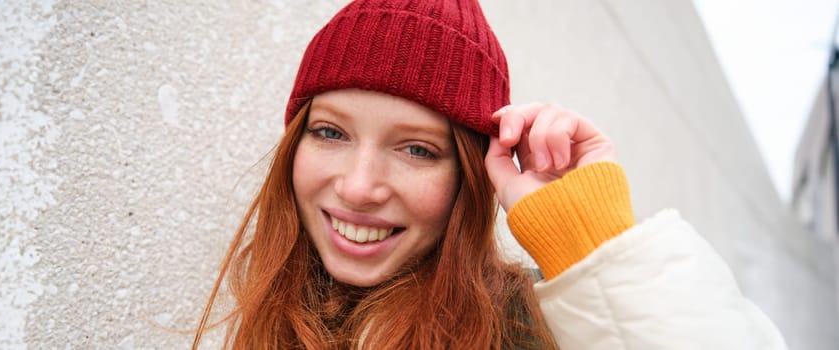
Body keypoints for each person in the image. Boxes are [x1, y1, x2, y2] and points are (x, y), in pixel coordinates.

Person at [193, 0, 788, 349]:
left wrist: (593, 244)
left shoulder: (534, 328)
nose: (358, 186)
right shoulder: (265, 311)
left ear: (470, 179)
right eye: (331, 133)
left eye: (418, 150)